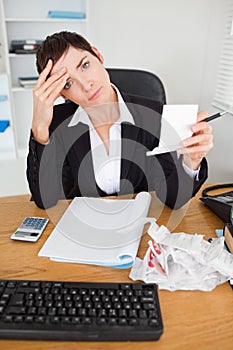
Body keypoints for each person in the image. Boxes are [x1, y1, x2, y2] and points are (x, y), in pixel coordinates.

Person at [27, 31, 213, 209]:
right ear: (60, 93)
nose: (86, 85)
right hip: (85, 229)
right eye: (67, 83)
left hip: (142, 227)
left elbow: (174, 200)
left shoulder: (153, 115)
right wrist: (40, 129)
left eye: (85, 65)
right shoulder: (57, 122)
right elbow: (47, 200)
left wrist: (191, 161)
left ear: (98, 55)